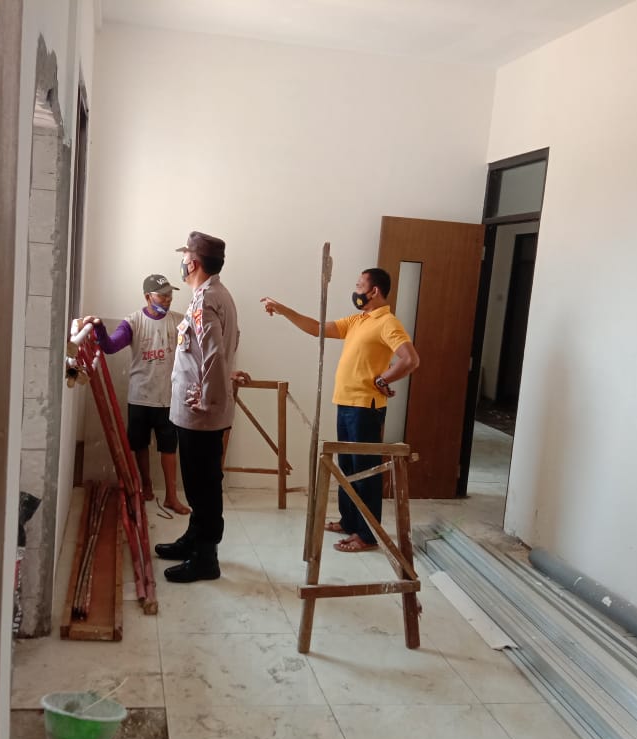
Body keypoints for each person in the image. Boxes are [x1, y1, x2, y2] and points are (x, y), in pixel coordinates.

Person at [261, 268, 420, 552]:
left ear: (374, 291)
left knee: (365, 472)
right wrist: (284, 310)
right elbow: (317, 328)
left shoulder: (387, 322)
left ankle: (367, 535)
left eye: (359, 285)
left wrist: (383, 379)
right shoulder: (358, 321)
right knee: (347, 468)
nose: (355, 290)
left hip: (365, 408)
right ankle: (349, 522)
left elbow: (410, 359)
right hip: (346, 404)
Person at [154, 231, 240, 583]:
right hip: (201, 408)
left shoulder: (207, 300)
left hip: (200, 412)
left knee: (202, 485)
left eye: (185, 257)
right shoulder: (217, 294)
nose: (182, 263)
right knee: (201, 482)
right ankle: (195, 539)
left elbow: (214, 354)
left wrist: (207, 399)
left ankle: (206, 557)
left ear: (193, 263)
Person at [82, 274, 191, 515]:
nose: (168, 299)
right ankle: (146, 486)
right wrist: (99, 328)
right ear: (147, 297)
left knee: (169, 448)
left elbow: (196, 350)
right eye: (162, 295)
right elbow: (110, 346)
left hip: (168, 397)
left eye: (169, 295)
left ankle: (171, 497)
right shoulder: (133, 322)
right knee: (140, 446)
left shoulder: (179, 321)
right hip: (140, 396)